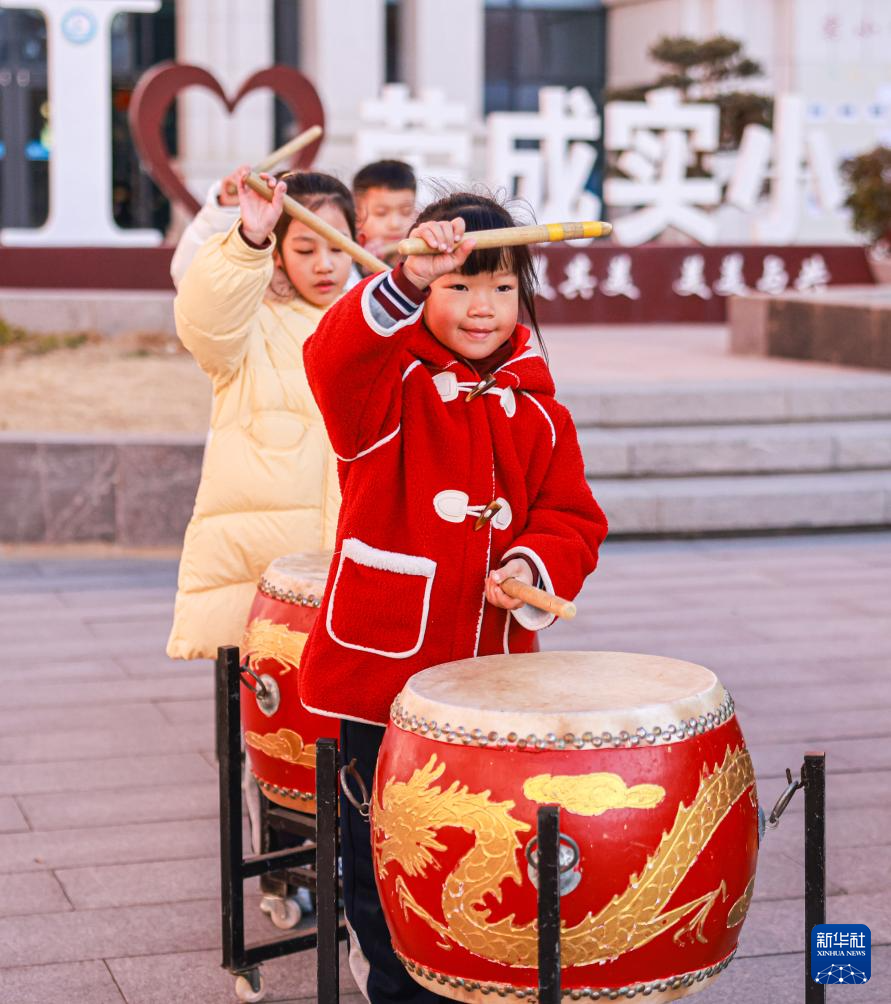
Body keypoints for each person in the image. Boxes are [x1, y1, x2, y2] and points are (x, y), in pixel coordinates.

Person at [300, 192, 609, 1002]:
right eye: (458, 287)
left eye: (501, 289)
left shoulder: (539, 410)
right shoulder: (382, 390)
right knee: (383, 857)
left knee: (489, 852)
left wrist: (531, 565)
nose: (482, 308)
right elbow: (333, 357)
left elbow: (573, 518)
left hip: (493, 688)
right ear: (425, 290)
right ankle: (395, 991)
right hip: (382, 681)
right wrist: (402, 278)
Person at [166, 169, 354, 661]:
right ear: (278, 252)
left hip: (349, 561)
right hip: (259, 567)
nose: (324, 265)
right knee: (262, 715)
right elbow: (204, 313)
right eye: (305, 249)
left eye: (337, 247)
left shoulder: (372, 319)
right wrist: (247, 238)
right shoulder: (250, 322)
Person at [353, 159, 417, 266]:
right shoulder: (348, 262)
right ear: (357, 216)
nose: (395, 224)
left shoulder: (424, 260)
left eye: (406, 212)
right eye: (381, 213)